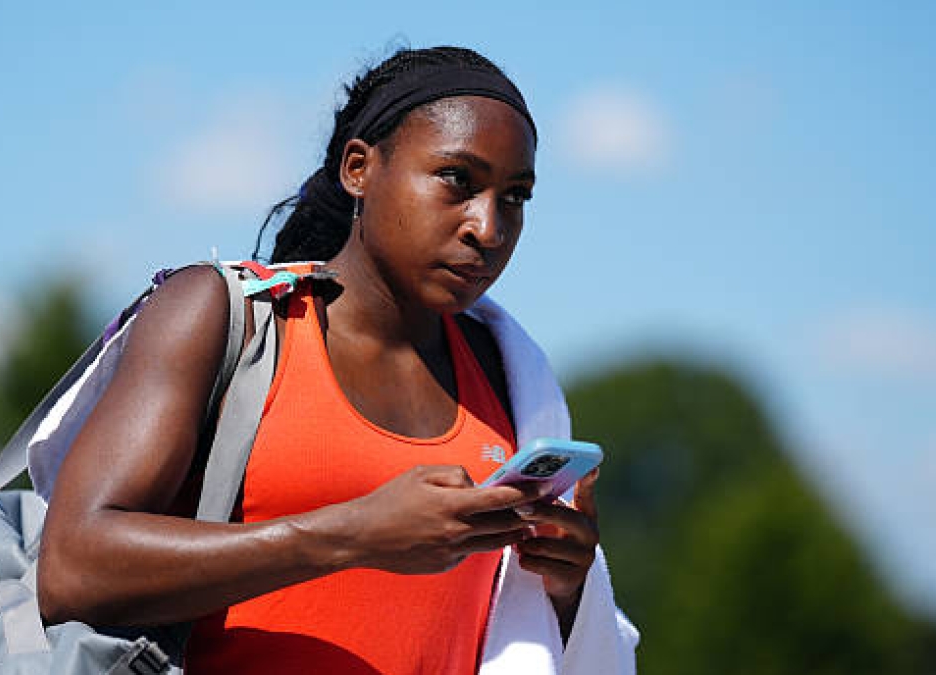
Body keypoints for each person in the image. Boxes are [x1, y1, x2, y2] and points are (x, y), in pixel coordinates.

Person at [35, 45, 637, 674]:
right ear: (359, 168)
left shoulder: (511, 381)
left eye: (514, 197)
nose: (487, 227)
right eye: (458, 179)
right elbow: (73, 565)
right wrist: (353, 533)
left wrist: (566, 590)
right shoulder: (221, 318)